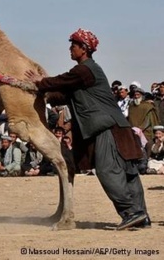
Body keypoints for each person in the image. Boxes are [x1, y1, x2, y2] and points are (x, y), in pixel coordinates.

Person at [26, 28, 149, 230]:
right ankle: (141, 215)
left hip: (107, 129)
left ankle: (131, 212)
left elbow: (60, 81)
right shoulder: (84, 76)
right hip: (118, 127)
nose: (70, 49)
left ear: (83, 49)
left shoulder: (85, 70)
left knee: (107, 170)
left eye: (73, 45)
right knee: (128, 172)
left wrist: (40, 82)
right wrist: (40, 93)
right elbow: (64, 94)